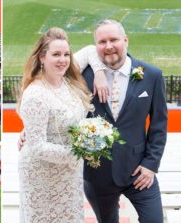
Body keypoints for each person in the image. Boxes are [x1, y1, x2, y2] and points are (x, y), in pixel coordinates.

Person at [75, 19, 167, 223]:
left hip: (139, 172)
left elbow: (159, 125)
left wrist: (151, 165)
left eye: (113, 40)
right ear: (95, 46)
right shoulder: (81, 77)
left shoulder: (151, 75)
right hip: (97, 175)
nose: (108, 46)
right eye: (102, 41)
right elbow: (59, 106)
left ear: (126, 40)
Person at [17, 27, 101, 222]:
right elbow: (37, 146)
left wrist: (100, 72)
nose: (63, 60)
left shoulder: (67, 81)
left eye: (66, 54)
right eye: (56, 54)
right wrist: (79, 152)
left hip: (69, 174)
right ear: (42, 58)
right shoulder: (35, 94)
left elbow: (90, 50)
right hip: (42, 175)